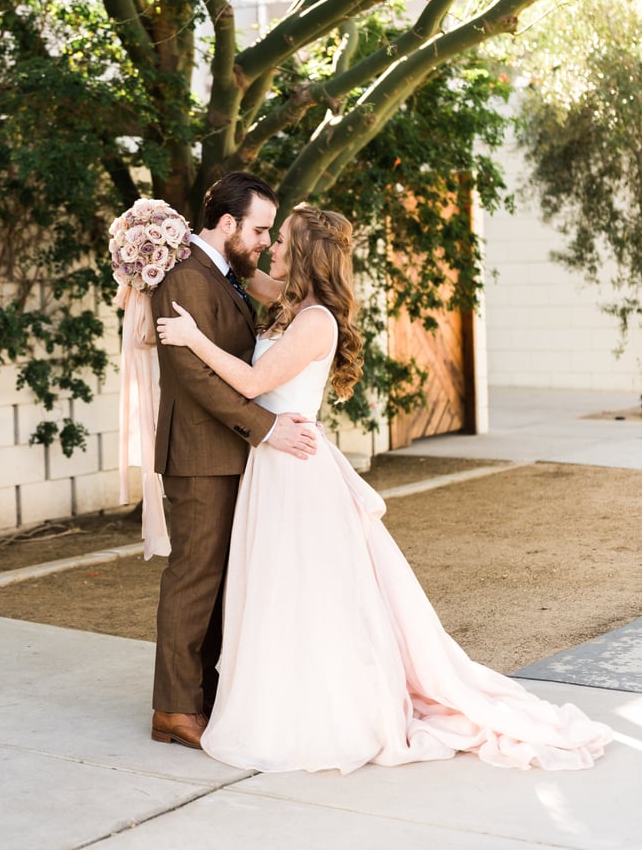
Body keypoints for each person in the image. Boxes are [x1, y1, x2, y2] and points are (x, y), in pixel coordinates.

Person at [156, 203, 612, 774]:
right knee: (273, 589)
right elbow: (243, 269)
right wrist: (162, 242)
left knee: (304, 591)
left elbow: (250, 380)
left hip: (295, 469)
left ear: (301, 253)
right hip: (271, 467)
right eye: (266, 234)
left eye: (281, 239)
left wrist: (193, 337)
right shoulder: (291, 303)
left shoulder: (316, 320)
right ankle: (271, 691)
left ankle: (317, 705)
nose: (270, 245)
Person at [150, 173, 318, 752]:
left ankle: (207, 694)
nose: (264, 240)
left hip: (230, 450)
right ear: (227, 224)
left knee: (224, 580)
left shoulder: (227, 273)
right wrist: (268, 427)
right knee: (194, 578)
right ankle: (173, 709)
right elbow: (191, 375)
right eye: (259, 229)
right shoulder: (183, 277)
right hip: (199, 452)